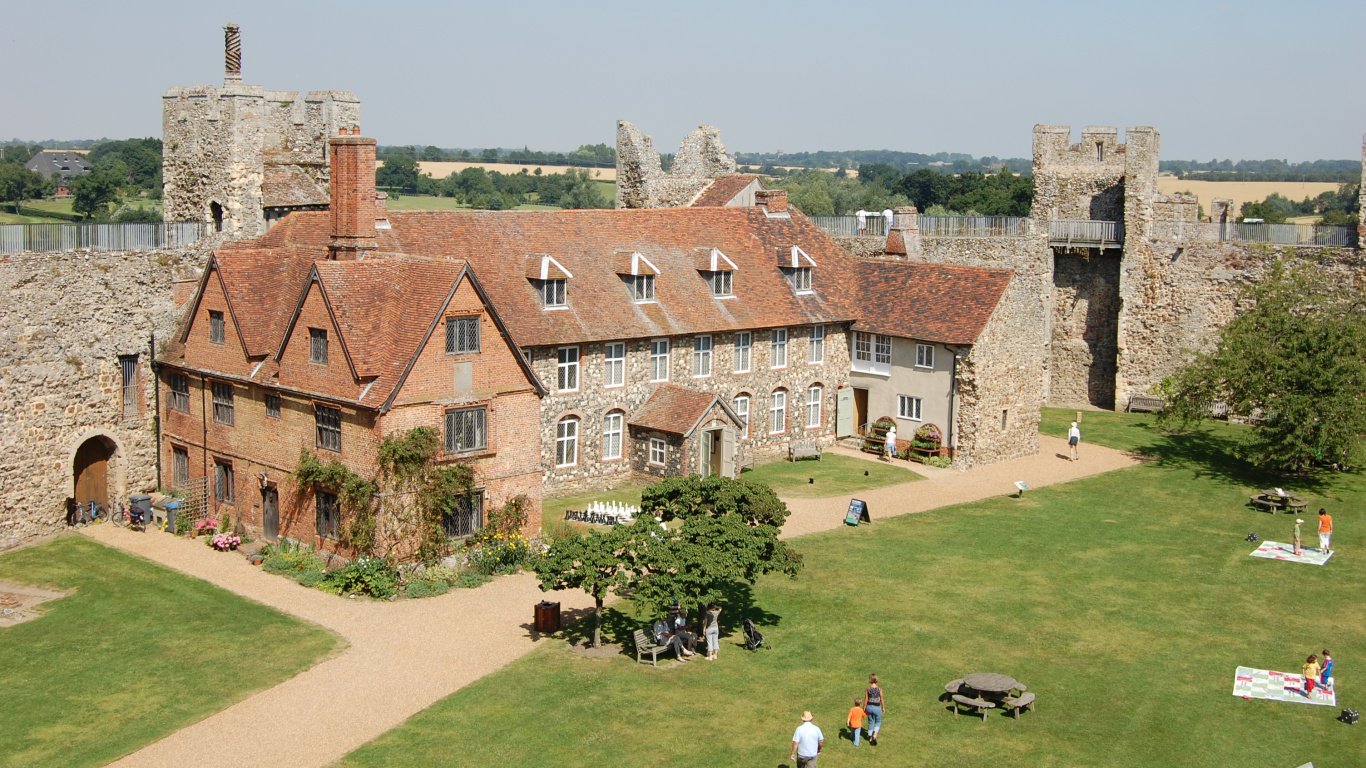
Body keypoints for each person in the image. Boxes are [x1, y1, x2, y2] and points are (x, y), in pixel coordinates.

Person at [863, 674, 885, 746]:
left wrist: (864, 707)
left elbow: (866, 699)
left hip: (869, 706)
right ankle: (875, 734)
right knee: (878, 721)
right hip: (877, 707)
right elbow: (881, 698)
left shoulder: (868, 689)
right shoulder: (879, 689)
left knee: (870, 721)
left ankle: (870, 736)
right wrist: (883, 707)